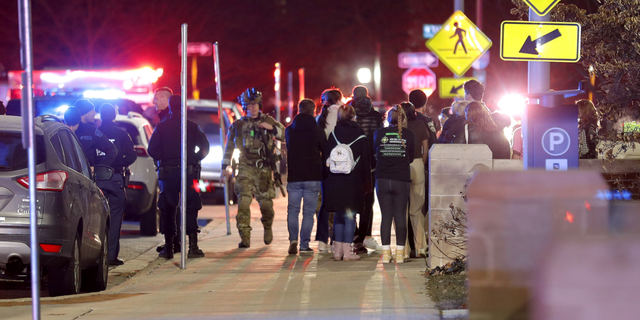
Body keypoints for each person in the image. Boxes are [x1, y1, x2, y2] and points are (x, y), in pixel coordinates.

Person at [221, 88, 285, 248]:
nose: (253, 107)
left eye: (255, 104)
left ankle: (267, 226)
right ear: (245, 107)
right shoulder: (238, 125)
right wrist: (224, 167)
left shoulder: (269, 121)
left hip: (263, 168)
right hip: (245, 167)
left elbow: (284, 135)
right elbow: (228, 147)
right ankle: (245, 236)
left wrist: (271, 128)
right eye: (250, 105)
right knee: (243, 202)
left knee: (266, 204)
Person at [148, 95, 210, 259]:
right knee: (191, 205)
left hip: (168, 173)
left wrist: (166, 158)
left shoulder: (161, 128)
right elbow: (205, 148)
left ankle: (169, 247)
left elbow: (152, 150)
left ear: (169, 106)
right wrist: (194, 158)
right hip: (189, 172)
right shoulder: (193, 126)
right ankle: (193, 246)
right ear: (184, 106)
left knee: (168, 208)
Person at [65, 100, 120, 265]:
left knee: (89, 219)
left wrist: (98, 168)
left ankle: (87, 256)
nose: (94, 114)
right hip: (65, 181)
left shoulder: (90, 130)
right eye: (92, 111)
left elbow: (112, 150)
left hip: (87, 181)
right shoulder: (63, 131)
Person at [323, 104, 370, 261]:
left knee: (338, 215)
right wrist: (367, 184)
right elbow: (365, 163)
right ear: (353, 116)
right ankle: (348, 252)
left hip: (335, 180)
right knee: (350, 216)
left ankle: (337, 252)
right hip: (353, 181)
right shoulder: (360, 136)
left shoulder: (333, 134)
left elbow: (326, 159)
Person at [374, 105, 415, 263]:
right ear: (403, 119)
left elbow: (375, 152)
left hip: (382, 179)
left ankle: (385, 254)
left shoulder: (379, 133)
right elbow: (410, 157)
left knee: (386, 216)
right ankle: (399, 254)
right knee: (400, 216)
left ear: (387, 118)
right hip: (401, 179)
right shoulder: (409, 135)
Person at [285, 99, 326, 255]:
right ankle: (304, 244)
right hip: (313, 176)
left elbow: (289, 147)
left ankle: (293, 240)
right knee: (309, 212)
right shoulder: (317, 130)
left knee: (293, 211)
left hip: (294, 176)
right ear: (314, 111)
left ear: (298, 110)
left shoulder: (289, 130)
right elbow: (325, 150)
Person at [98, 103, 138, 265]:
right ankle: (111, 256)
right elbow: (131, 156)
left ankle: (96, 255)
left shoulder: (95, 133)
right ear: (114, 116)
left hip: (96, 179)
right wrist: (119, 163)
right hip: (115, 178)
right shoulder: (121, 135)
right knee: (114, 219)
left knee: (96, 218)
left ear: (100, 116)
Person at [350, 95, 383, 253]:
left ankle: (355, 234)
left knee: (352, 200)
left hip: (353, 163)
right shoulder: (376, 117)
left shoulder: (350, 114)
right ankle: (364, 236)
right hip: (372, 163)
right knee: (368, 202)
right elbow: (379, 138)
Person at [315, 88, 344, 253]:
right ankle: (336, 240)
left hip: (323, 165)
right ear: (340, 99)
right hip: (340, 164)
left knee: (325, 203)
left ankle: (321, 240)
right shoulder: (343, 114)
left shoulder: (319, 118)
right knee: (339, 203)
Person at [401, 102, 430, 258]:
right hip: (417, 164)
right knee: (416, 209)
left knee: (401, 210)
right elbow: (426, 148)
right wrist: (422, 163)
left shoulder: (398, 126)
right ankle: (420, 247)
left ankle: (403, 248)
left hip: (401, 166)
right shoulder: (420, 124)